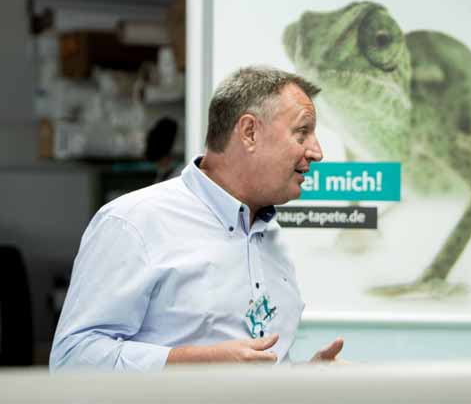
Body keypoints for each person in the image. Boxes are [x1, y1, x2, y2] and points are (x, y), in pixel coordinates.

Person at [51, 66, 344, 371]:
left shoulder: (271, 235)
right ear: (249, 132)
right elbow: (71, 360)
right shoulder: (134, 222)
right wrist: (192, 363)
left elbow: (258, 367)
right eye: (302, 133)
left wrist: (306, 376)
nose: (317, 152)